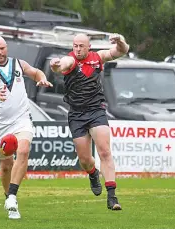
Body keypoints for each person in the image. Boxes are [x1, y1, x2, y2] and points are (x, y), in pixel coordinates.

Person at [50, 33, 129, 210]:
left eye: (81, 46)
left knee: (105, 151)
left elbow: (120, 51)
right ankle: (93, 174)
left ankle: (112, 197)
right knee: (85, 160)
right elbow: (62, 65)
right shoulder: (70, 60)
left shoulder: (97, 57)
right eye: (75, 46)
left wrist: (121, 42)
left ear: (88, 47)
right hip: (77, 115)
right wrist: (55, 65)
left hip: (96, 111)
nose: (77, 49)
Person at [0, 35, 53, 219]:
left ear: (6, 48)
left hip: (21, 119)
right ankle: (8, 198)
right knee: (5, 166)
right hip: (1, 125)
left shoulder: (18, 64)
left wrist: (42, 78)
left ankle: (12, 196)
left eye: (2, 48)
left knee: (24, 149)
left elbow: (35, 72)